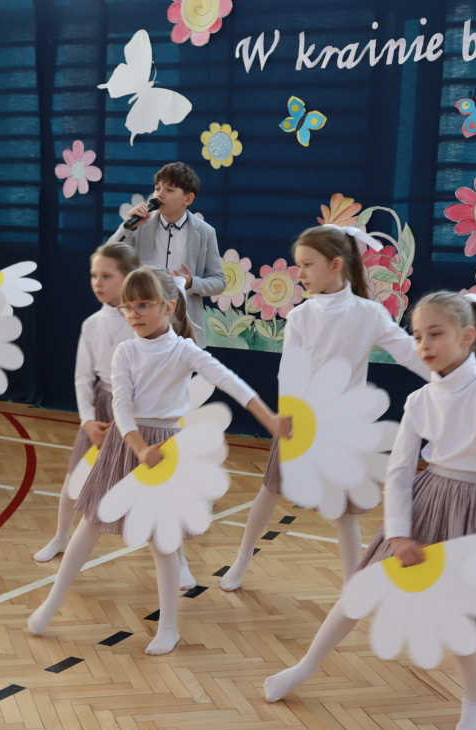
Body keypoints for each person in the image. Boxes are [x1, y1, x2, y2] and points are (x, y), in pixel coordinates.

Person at [264, 291, 476, 730]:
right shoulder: (420, 398)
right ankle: (305, 666)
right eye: (418, 335)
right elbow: (400, 472)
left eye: (435, 334)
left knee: (460, 618)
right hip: (427, 499)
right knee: (362, 588)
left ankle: (473, 706)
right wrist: (400, 533)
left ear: (466, 337)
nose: (423, 344)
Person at [27, 266, 290, 654]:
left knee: (163, 541)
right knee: (90, 524)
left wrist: (268, 418)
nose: (133, 314)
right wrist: (137, 447)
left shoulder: (184, 350)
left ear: (168, 307)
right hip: (126, 445)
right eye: (127, 307)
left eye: (143, 305)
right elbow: (121, 407)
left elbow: (229, 381)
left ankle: (169, 627)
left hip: (166, 450)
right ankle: (55, 599)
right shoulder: (126, 351)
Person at [220, 225, 432, 591]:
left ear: (335, 265)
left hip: (344, 429)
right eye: (298, 265)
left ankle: (352, 585)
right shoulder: (301, 316)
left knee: (343, 512)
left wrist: (450, 378)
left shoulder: (368, 313)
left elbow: (407, 353)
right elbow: (290, 370)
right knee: (269, 492)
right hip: (299, 423)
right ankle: (241, 560)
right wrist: (285, 415)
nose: (300, 273)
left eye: (307, 265)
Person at [35, 242, 139, 562]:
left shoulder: (142, 322)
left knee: (152, 488)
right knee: (74, 480)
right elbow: (82, 378)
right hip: (102, 412)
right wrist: (88, 421)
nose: (98, 282)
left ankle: (177, 560)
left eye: (107, 276)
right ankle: (60, 537)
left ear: (129, 277)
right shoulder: (92, 324)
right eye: (94, 275)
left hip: (138, 412)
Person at [109, 162, 224, 348]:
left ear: (188, 199)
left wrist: (191, 283)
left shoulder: (205, 232)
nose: (159, 194)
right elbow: (109, 256)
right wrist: (127, 227)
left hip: (184, 325)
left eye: (169, 189)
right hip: (143, 319)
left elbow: (219, 282)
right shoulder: (140, 226)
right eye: (157, 188)